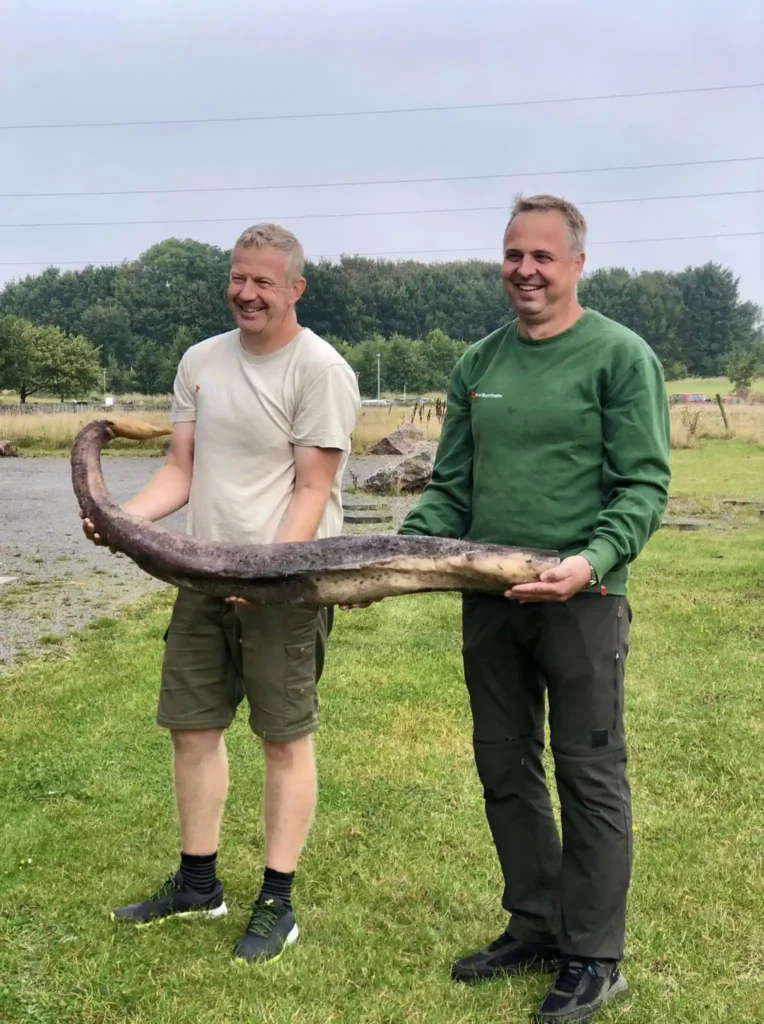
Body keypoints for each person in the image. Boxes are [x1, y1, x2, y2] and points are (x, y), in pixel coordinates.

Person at [397, 195, 671, 1022]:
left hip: (582, 599)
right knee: (504, 764)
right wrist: (404, 550)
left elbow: (643, 485)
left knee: (590, 774)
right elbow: (451, 489)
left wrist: (590, 564)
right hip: (489, 600)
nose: (524, 270)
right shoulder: (478, 363)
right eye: (514, 254)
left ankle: (594, 955)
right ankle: (536, 922)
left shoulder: (620, 357)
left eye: (542, 257)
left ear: (577, 265)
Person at [83, 223, 360, 963]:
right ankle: (199, 884)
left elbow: (313, 487)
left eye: (264, 281)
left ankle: (278, 900)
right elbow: (181, 468)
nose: (247, 292)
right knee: (193, 726)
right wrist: (121, 519)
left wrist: (265, 574)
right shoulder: (201, 360)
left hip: (285, 583)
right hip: (201, 573)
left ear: (296, 289)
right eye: (239, 277)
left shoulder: (319, 369)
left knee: (283, 736)